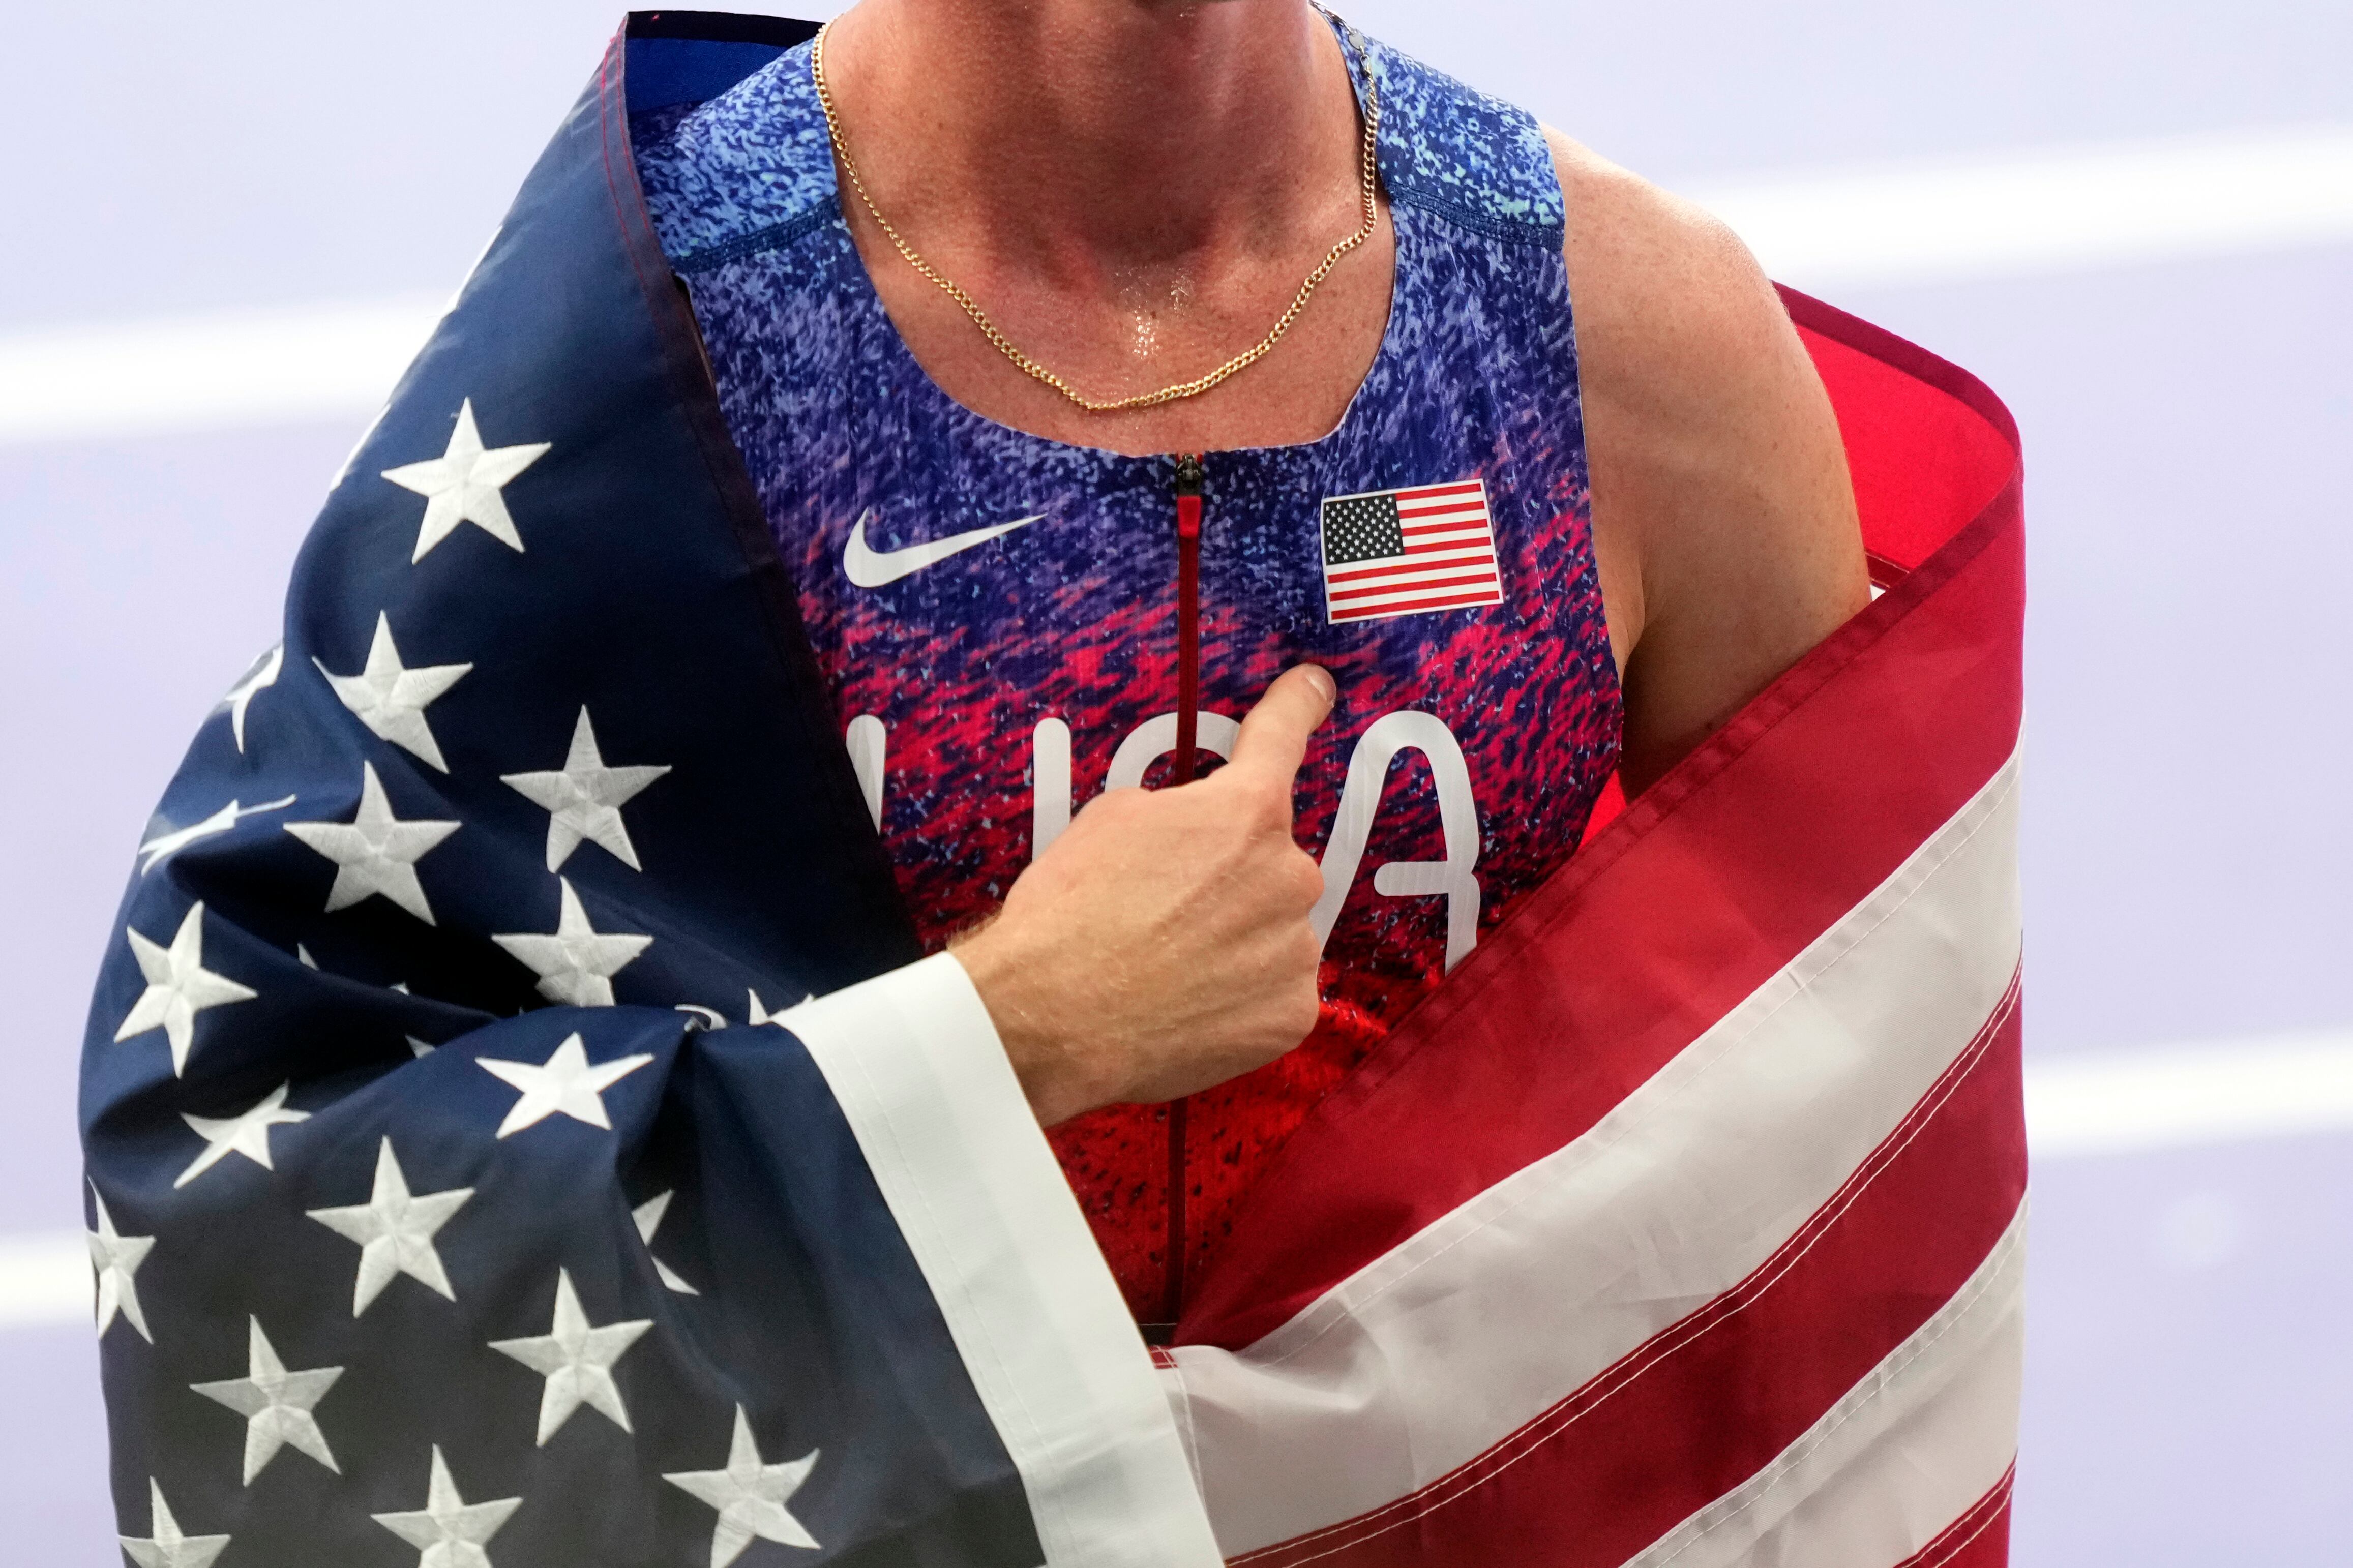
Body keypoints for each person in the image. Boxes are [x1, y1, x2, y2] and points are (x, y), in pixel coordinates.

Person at [84, 7, 2030, 1566]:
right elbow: (266, 1185)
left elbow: (1835, 1233)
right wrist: (1011, 1032)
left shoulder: (1630, 349)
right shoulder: (638, 370)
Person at [632, 0, 1866, 1330]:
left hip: (1457, 1454)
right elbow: (470, 1182)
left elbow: (1853, 1130)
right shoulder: (644, 329)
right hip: (855, 1453)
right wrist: (1009, 1028)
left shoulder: (1626, 322)